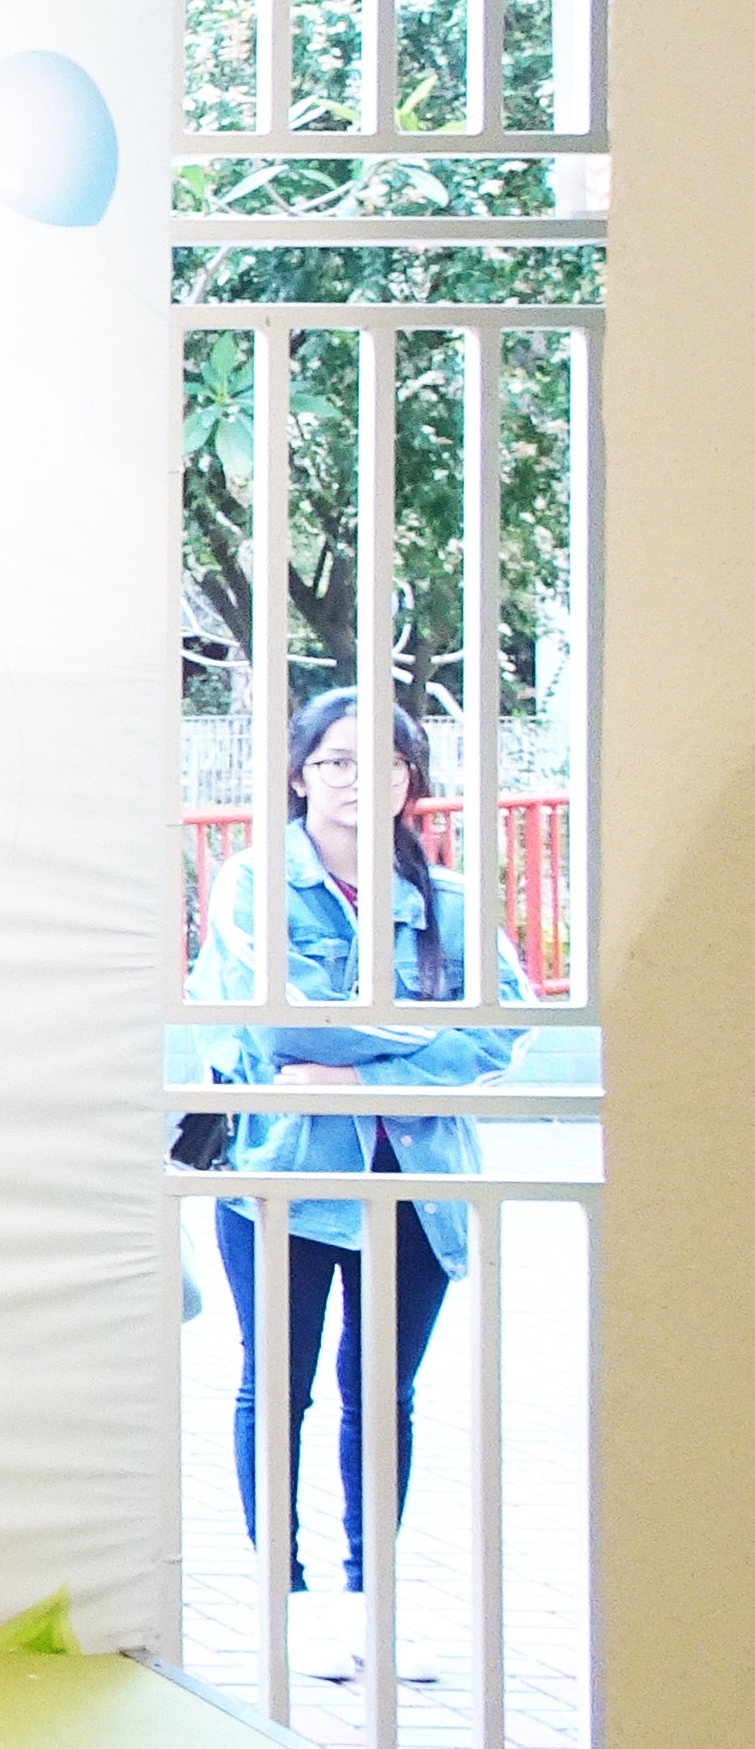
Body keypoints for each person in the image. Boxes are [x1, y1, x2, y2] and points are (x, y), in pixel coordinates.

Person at [184, 690, 521, 1679]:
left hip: (416, 1180)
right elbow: (274, 1025)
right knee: (277, 1385)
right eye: (335, 761)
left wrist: (361, 1073)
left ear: (411, 781)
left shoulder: (450, 900)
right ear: (299, 775)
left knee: (383, 1394)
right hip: (284, 1172)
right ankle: (284, 1599)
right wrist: (418, 1035)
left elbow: (501, 1027)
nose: (355, 781)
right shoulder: (254, 884)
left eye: (383, 763)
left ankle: (370, 1600)